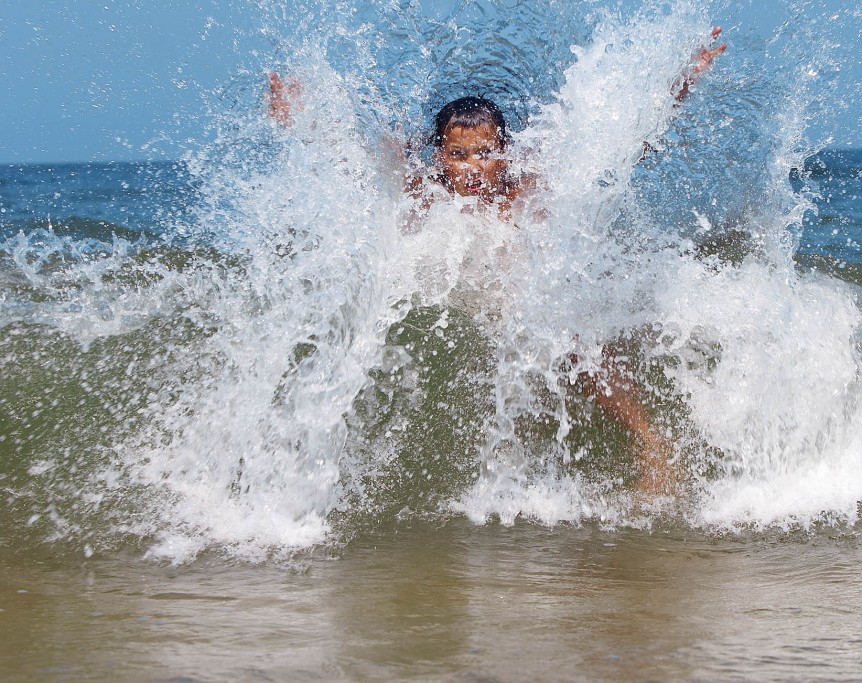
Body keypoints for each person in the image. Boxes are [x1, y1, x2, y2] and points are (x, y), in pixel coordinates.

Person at [268, 28, 726, 495]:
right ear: (440, 155)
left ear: (503, 152)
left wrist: (681, 82)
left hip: (520, 298)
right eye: (457, 154)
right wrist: (302, 122)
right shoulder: (421, 188)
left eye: (484, 153)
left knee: (573, 344)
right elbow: (355, 162)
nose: (471, 167)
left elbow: (624, 145)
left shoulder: (526, 185)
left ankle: (653, 447)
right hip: (460, 301)